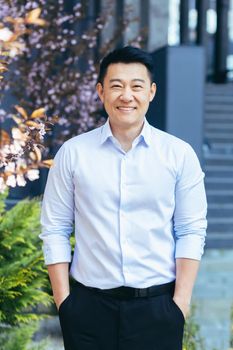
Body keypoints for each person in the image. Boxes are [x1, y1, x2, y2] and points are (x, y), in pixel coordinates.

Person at [39, 46, 208, 350]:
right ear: (101, 91)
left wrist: (180, 304)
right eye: (116, 85)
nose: (126, 95)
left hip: (158, 309)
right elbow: (55, 229)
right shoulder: (73, 154)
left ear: (151, 92)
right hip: (88, 309)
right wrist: (65, 303)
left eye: (136, 86)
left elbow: (191, 231)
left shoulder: (179, 155)